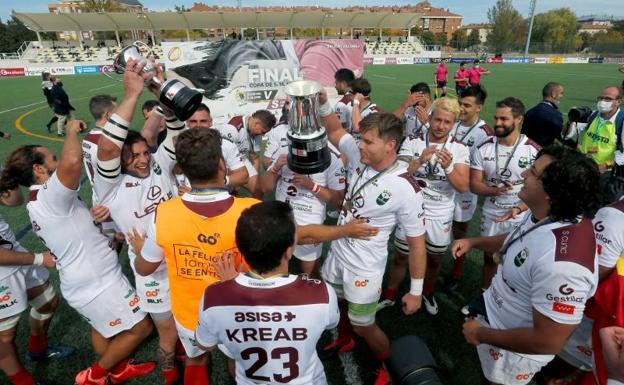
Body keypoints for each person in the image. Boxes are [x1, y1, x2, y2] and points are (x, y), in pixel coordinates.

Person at [130, 129, 377, 385]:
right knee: (238, 360)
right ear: (221, 165)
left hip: (190, 311)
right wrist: (345, 230)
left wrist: (139, 251)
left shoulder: (165, 213)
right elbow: (300, 234)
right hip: (242, 310)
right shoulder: (248, 210)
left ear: (181, 169)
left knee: (197, 359)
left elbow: (145, 268)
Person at [0, 120, 155, 385]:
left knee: (102, 328)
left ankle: (117, 370)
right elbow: (72, 163)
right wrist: (72, 131)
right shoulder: (49, 195)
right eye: (51, 158)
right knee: (141, 328)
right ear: (38, 169)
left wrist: (95, 222)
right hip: (97, 282)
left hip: (83, 281)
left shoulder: (42, 201)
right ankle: (95, 375)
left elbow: (70, 229)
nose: (57, 160)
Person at [454, 145, 602, 385]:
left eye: (533, 172)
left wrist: (480, 333)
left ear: (552, 192)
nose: (523, 174)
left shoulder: (564, 266)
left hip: (512, 350)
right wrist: (475, 242)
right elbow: (523, 238)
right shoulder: (551, 214)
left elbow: (548, 341)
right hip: (497, 319)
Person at [92, 59, 183, 385]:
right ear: (121, 161)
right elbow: (106, 148)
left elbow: (175, 133)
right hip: (151, 270)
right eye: (134, 156)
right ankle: (170, 372)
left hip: (182, 257)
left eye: (145, 152)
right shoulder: (110, 184)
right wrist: (131, 96)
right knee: (166, 330)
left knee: (189, 320)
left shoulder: (158, 162)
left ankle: (184, 356)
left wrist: (165, 101)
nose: (143, 160)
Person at [321, 105, 427, 384]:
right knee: (337, 305)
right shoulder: (359, 156)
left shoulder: (405, 187)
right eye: (361, 139)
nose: (360, 146)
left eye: (368, 141)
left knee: (364, 324)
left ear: (390, 145)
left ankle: (385, 367)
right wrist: (319, 101)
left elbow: (417, 244)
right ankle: (344, 340)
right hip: (338, 252)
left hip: (364, 267)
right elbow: (334, 129)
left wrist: (415, 292)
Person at [194, 201, 340, 385]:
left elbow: (204, 344)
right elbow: (330, 323)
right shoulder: (321, 293)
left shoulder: (214, 298)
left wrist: (228, 287)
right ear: (288, 251)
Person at [380, 97, 470, 315]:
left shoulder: (459, 148)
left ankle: (426, 293)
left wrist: (448, 168)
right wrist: (419, 161)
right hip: (411, 210)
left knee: (434, 259)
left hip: (440, 213)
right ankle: (390, 296)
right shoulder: (413, 141)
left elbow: (462, 187)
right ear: (429, 118)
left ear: (454, 124)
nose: (441, 126)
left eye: (447, 122)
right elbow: (397, 174)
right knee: (401, 256)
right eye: (437, 119)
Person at [0, 185, 73, 385]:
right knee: (4, 339)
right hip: (2, 271)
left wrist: (6, 179)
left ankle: (37, 350)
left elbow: (13, 200)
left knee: (47, 301)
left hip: (13, 250)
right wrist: (39, 258)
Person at [470, 97, 541, 293]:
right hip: (492, 211)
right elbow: (474, 185)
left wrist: (518, 208)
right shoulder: (483, 147)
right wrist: (494, 190)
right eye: (496, 118)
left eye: (504, 119)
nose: (498, 123)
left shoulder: (533, 151)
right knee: (489, 258)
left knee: (516, 260)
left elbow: (541, 194)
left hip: (521, 214)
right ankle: (485, 295)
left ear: (518, 119)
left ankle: (509, 297)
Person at [260, 146, 345, 277]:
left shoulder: (331, 159)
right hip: (281, 220)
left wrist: (312, 186)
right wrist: (275, 168)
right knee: (273, 271)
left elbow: (338, 200)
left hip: (310, 224)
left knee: (311, 273)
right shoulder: (284, 151)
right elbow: (265, 187)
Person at [446, 85, 493, 292]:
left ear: (479, 108)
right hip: (443, 188)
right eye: (460, 104)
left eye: (467, 105)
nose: (462, 109)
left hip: (464, 193)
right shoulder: (452, 123)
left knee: (459, 231)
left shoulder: (485, 133)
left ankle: (456, 272)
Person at [182, 103, 249, 190]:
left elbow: (244, 176)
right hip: (184, 199)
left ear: (210, 122)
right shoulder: (179, 145)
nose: (198, 126)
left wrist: (221, 181)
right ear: (187, 123)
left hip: (218, 198)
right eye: (193, 121)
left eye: (203, 121)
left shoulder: (225, 144)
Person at [214, 109, 276, 197]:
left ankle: (255, 210)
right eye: (262, 132)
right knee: (230, 193)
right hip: (222, 160)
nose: (262, 135)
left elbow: (254, 157)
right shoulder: (232, 129)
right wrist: (235, 179)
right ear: (256, 124)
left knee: (258, 189)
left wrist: (255, 179)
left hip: (240, 158)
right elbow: (220, 157)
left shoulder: (257, 133)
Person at [569, 86, 623, 174]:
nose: (602, 101)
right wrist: (570, 121)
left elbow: (623, 156)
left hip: (604, 172)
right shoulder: (593, 115)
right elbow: (568, 135)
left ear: (619, 101)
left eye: (608, 99)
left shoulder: (621, 121)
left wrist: (605, 166)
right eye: (601, 98)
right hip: (583, 165)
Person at [522, 82, 565, 148]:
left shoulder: (530, 112)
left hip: (526, 150)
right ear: (553, 94)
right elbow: (562, 136)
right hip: (543, 153)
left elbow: (523, 134)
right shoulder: (554, 114)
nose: (562, 96)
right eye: (561, 93)